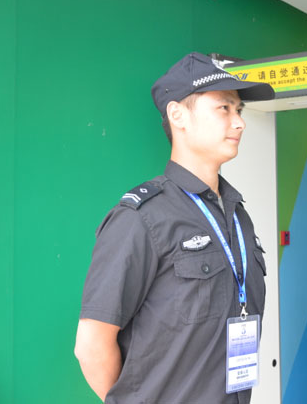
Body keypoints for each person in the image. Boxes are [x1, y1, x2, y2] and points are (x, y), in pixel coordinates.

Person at [74, 52, 275, 404]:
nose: (239, 122)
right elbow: (91, 346)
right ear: (177, 115)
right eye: (224, 108)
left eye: (239, 110)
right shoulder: (142, 218)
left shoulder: (238, 215)